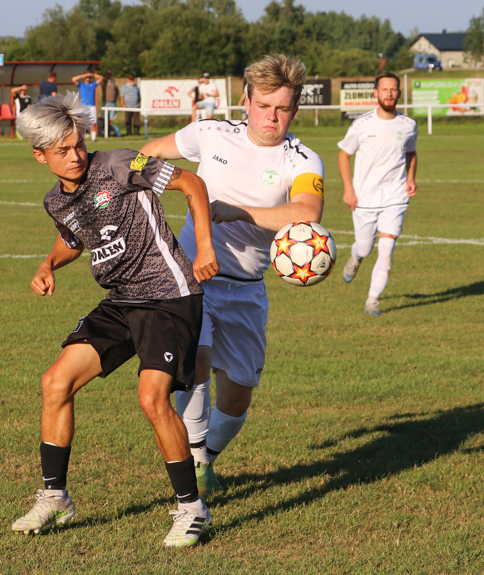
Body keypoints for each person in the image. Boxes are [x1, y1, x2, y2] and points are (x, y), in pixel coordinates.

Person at [11, 93, 219, 548]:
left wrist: (204, 246)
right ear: (39, 154)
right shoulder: (56, 201)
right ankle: (55, 497)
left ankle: (192, 509)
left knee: (151, 397)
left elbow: (193, 185)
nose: (75, 156)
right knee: (55, 383)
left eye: (78, 145)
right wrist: (48, 264)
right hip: (122, 301)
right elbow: (73, 239)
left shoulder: (123, 162)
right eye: (62, 150)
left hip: (169, 296)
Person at [140, 54, 324, 498]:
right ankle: (194, 464)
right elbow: (147, 154)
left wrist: (235, 211)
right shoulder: (211, 132)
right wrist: (159, 192)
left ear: (295, 110)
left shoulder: (302, 159)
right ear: (246, 100)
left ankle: (205, 455)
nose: (271, 117)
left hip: (246, 288)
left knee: (238, 398)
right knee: (196, 363)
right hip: (191, 275)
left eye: (282, 108)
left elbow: (306, 214)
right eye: (263, 105)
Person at [338, 72, 418, 317]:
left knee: (386, 248)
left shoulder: (408, 125)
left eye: (393, 89)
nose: (389, 94)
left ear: (399, 93)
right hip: (364, 198)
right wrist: (349, 190)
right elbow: (344, 155)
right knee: (364, 247)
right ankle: (356, 257)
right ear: (376, 93)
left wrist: (411, 177)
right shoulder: (362, 125)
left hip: (395, 196)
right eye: (384, 89)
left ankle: (372, 300)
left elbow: (411, 153)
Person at [72, 71, 103, 142]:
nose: (88, 78)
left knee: (93, 123)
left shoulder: (93, 84)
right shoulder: (81, 84)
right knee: (82, 123)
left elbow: (101, 78)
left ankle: (94, 138)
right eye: (86, 77)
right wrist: (83, 75)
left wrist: (92, 74)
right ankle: (82, 138)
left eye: (89, 77)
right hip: (84, 106)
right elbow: (73, 79)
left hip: (92, 106)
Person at [101, 69, 122, 137]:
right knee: (105, 118)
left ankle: (111, 131)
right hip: (105, 102)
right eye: (107, 73)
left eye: (110, 73)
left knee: (111, 118)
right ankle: (105, 131)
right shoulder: (103, 81)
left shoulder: (113, 81)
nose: (109, 75)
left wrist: (116, 98)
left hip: (112, 102)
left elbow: (117, 90)